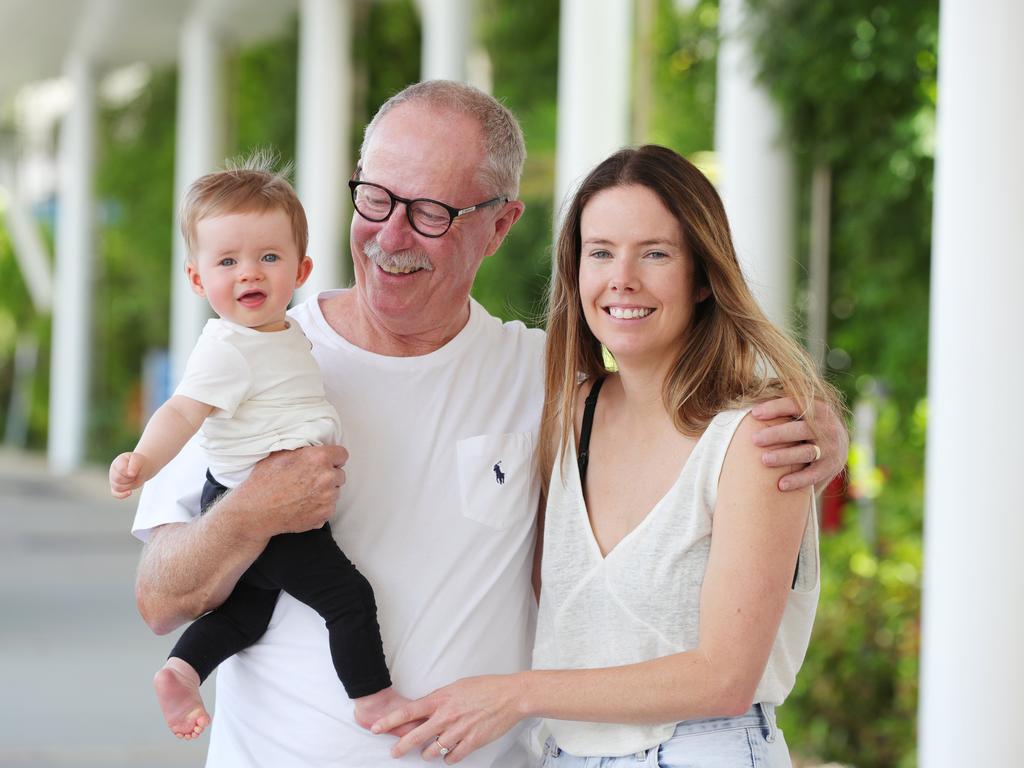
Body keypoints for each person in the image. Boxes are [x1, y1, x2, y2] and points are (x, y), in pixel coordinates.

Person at [132, 82, 847, 767]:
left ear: (500, 225)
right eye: (376, 198)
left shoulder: (547, 383)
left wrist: (817, 425)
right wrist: (249, 513)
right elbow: (161, 600)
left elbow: (678, 407)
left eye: (432, 211)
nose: (392, 234)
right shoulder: (246, 359)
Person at [372, 145, 842, 767]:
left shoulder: (759, 441)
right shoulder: (566, 417)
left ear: (702, 276)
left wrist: (515, 696)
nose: (622, 278)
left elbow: (723, 678)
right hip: (566, 753)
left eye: (655, 253)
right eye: (600, 253)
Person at [112, 158, 402, 740]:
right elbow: (181, 412)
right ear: (197, 280)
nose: (250, 273)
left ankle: (183, 668)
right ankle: (373, 698)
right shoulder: (228, 348)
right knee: (348, 597)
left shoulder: (283, 331)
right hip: (267, 498)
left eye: (268, 258)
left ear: (302, 269)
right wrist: (142, 461)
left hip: (261, 488)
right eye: (227, 261)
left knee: (250, 609)